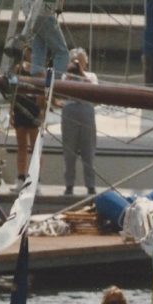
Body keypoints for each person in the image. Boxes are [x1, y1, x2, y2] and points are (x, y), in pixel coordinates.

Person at [61, 49, 98, 196]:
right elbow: (63, 90)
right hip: (70, 110)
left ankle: (90, 185)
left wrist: (81, 73)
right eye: (75, 60)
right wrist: (72, 74)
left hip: (86, 110)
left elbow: (94, 90)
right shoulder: (66, 75)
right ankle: (69, 185)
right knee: (69, 151)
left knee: (88, 150)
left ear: (85, 62)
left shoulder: (91, 76)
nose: (77, 63)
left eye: (80, 60)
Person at [11, 47, 42, 192]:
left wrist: (40, 109)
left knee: (35, 147)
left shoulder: (39, 70)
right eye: (27, 52)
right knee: (21, 146)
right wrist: (12, 110)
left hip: (33, 107)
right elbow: (12, 89)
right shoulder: (18, 68)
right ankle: (20, 178)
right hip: (20, 106)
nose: (29, 54)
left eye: (31, 52)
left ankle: (36, 180)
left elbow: (43, 91)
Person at [23, 0, 69, 81]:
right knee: (62, 53)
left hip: (30, 13)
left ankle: (37, 80)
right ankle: (56, 82)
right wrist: (59, 6)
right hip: (44, 12)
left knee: (39, 49)